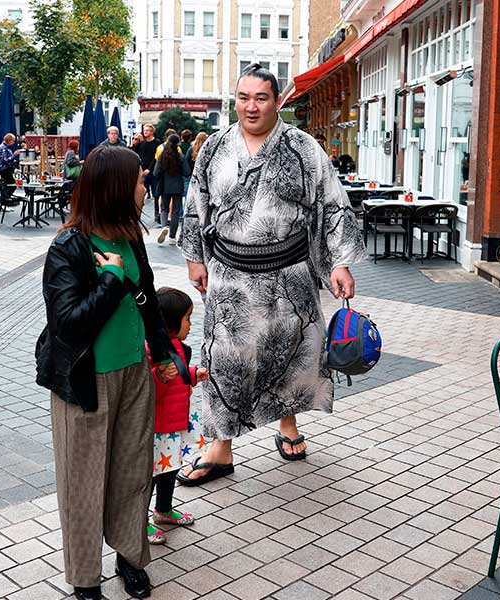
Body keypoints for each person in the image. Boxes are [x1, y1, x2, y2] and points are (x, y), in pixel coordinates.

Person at [177, 63, 365, 486]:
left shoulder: (303, 148)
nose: (251, 106)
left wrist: (339, 262)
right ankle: (220, 447)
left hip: (289, 273)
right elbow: (196, 202)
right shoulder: (215, 148)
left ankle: (288, 423)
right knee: (225, 359)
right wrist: (194, 256)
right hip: (230, 275)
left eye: (261, 98)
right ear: (235, 100)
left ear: (277, 101)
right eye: (243, 98)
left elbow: (332, 203)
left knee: (290, 354)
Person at [35, 145, 179, 600]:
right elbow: (68, 323)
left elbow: (148, 299)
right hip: (86, 382)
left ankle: (130, 557)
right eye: (139, 179)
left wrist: (161, 352)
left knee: (132, 472)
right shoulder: (68, 247)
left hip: (135, 373)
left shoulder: (131, 235)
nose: (145, 185)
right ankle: (84, 579)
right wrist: (111, 281)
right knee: (83, 482)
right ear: (117, 187)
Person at [144, 287, 208, 545]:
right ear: (169, 323)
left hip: (175, 423)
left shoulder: (178, 347)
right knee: (149, 475)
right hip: (158, 427)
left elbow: (178, 376)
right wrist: (158, 377)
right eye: (187, 319)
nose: (190, 325)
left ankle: (164, 509)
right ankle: (139, 522)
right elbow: (145, 388)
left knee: (170, 469)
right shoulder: (151, 350)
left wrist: (192, 374)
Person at [154, 134, 189, 245]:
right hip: (178, 186)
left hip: (164, 186)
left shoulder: (163, 156)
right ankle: (172, 237)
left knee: (164, 208)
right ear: (178, 143)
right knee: (175, 211)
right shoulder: (180, 157)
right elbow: (187, 172)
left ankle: (164, 226)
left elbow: (156, 172)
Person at [137, 125, 161, 206]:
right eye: (144, 130)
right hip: (143, 171)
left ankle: (157, 212)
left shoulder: (157, 143)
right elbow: (139, 157)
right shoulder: (142, 143)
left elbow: (156, 158)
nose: (145, 132)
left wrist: (149, 169)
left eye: (147, 130)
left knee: (156, 194)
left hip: (153, 171)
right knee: (141, 193)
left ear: (152, 132)